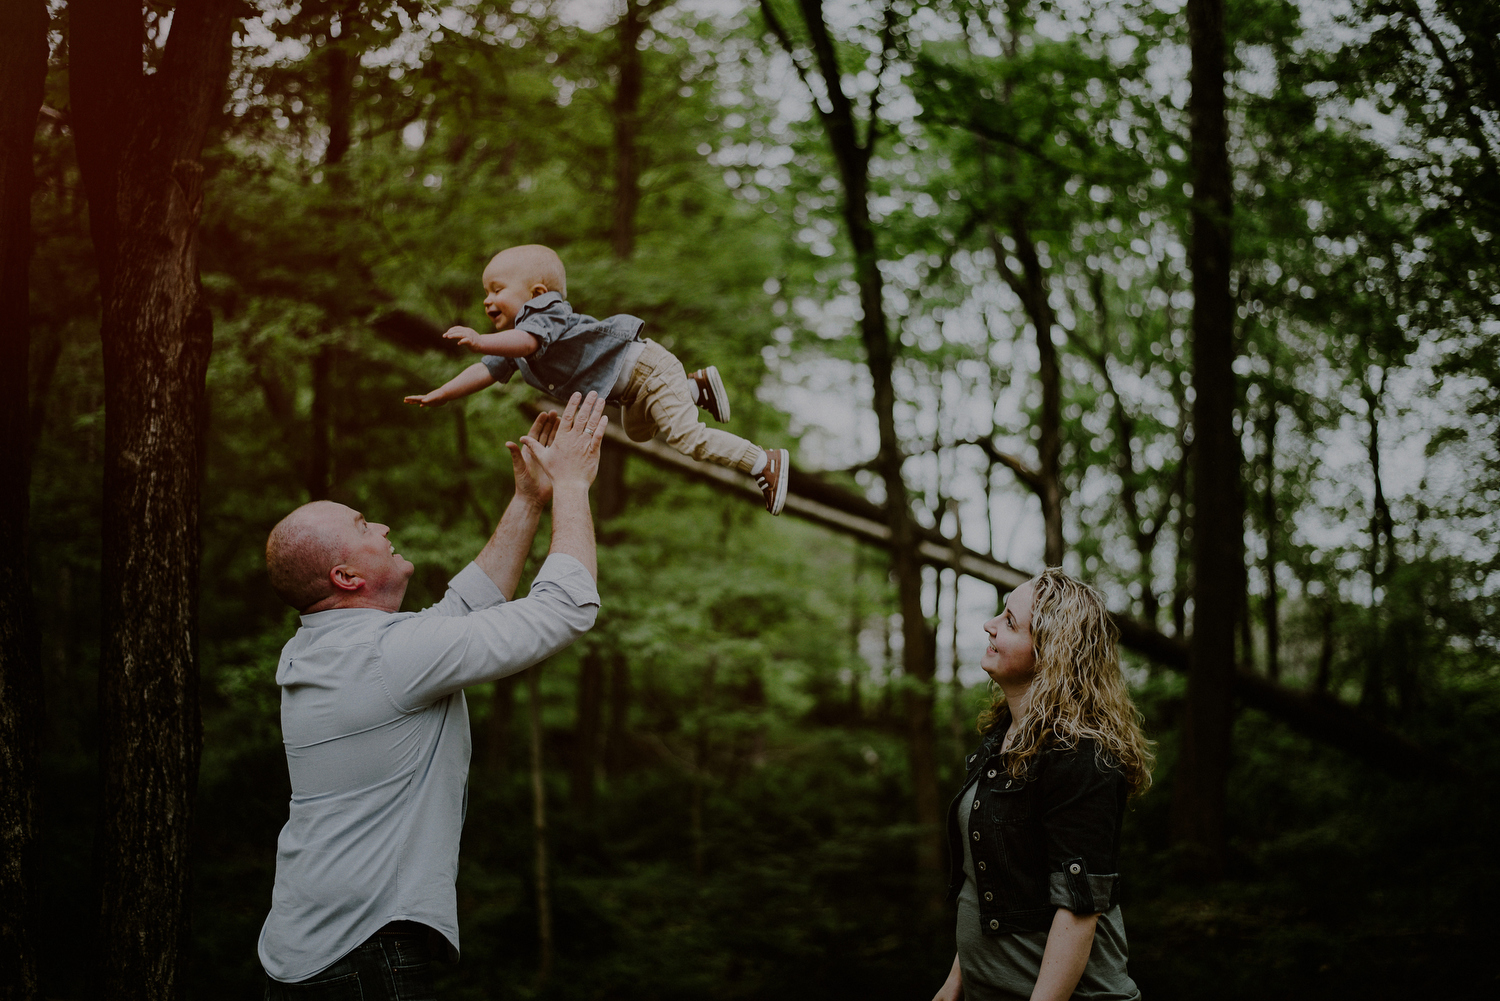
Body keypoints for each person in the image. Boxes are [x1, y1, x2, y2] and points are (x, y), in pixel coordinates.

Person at [258, 393, 609, 999]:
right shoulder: (386, 656)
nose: (384, 526)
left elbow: (460, 613)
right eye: (364, 526)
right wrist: (574, 486)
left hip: (306, 953)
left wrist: (528, 500)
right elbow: (566, 608)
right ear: (346, 578)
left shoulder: (325, 648)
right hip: (363, 957)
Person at [403, 243, 791, 515]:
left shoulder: (545, 312)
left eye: (497, 290)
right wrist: (443, 393)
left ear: (537, 292)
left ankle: (762, 461)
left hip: (648, 370)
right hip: (634, 391)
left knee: (686, 438)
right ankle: (694, 388)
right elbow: (486, 370)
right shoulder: (514, 347)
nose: (487, 300)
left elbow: (525, 341)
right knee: (639, 432)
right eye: (485, 292)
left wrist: (479, 339)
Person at [932, 569, 1154, 1001]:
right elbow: (990, 876)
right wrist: (954, 983)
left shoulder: (1082, 757)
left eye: (1010, 622)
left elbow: (1078, 913)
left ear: (1051, 653)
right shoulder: (1000, 737)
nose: (989, 625)